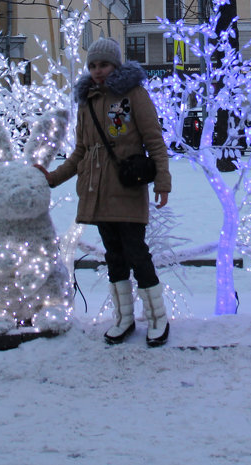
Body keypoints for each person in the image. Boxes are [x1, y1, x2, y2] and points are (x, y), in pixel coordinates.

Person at [39, 36, 172, 346]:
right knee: (114, 257)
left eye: (105, 64)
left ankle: (157, 318)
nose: (98, 71)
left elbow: (154, 141)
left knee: (137, 254)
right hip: (96, 191)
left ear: (116, 65)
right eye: (93, 65)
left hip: (126, 189)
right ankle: (124, 317)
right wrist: (51, 178)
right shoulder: (87, 102)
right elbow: (80, 151)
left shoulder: (133, 95)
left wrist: (162, 181)